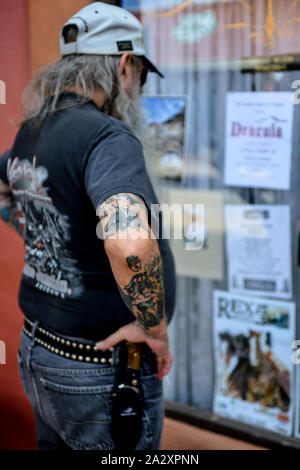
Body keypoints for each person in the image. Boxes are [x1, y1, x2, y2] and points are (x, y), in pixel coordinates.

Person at [0, 2, 176, 450]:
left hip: (39, 351)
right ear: (123, 66)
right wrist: (153, 328)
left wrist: (45, 234)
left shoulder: (34, 128)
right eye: (139, 73)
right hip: (97, 370)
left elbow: (5, 186)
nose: (137, 88)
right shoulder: (108, 138)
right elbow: (131, 244)